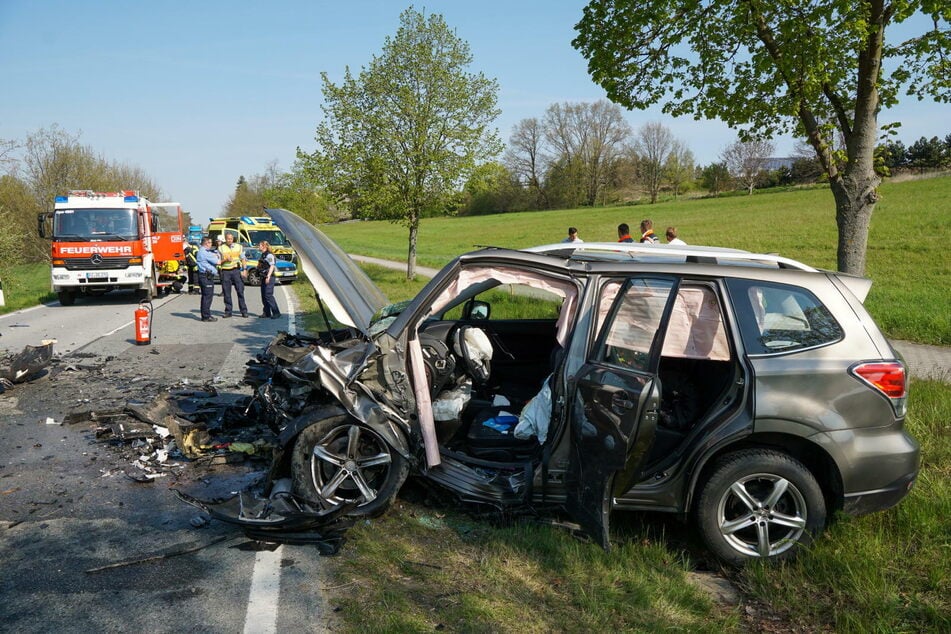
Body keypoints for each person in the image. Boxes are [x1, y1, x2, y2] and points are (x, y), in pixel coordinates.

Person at [218, 232, 249, 318]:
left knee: (240, 291)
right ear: (225, 239)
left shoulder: (239, 247)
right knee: (227, 293)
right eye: (228, 239)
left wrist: (245, 269)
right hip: (225, 272)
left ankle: (244, 311)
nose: (230, 240)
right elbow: (218, 262)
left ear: (233, 239)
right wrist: (225, 260)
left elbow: (243, 259)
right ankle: (228, 311)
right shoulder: (221, 248)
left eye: (231, 239)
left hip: (236, 271)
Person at [195, 236, 220, 322]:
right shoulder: (204, 252)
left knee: (206, 296)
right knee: (207, 297)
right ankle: (206, 316)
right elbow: (218, 261)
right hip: (206, 276)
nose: (211, 244)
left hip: (204, 276)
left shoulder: (203, 251)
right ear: (206, 243)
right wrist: (218, 256)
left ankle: (205, 314)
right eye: (210, 243)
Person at [256, 241, 282, 320]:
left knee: (268, 295)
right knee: (264, 295)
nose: (258, 246)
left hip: (269, 277)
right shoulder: (263, 255)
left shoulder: (269, 255)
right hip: (263, 277)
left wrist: (268, 276)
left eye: (260, 245)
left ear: (264, 246)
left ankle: (276, 312)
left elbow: (272, 266)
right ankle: (267, 313)